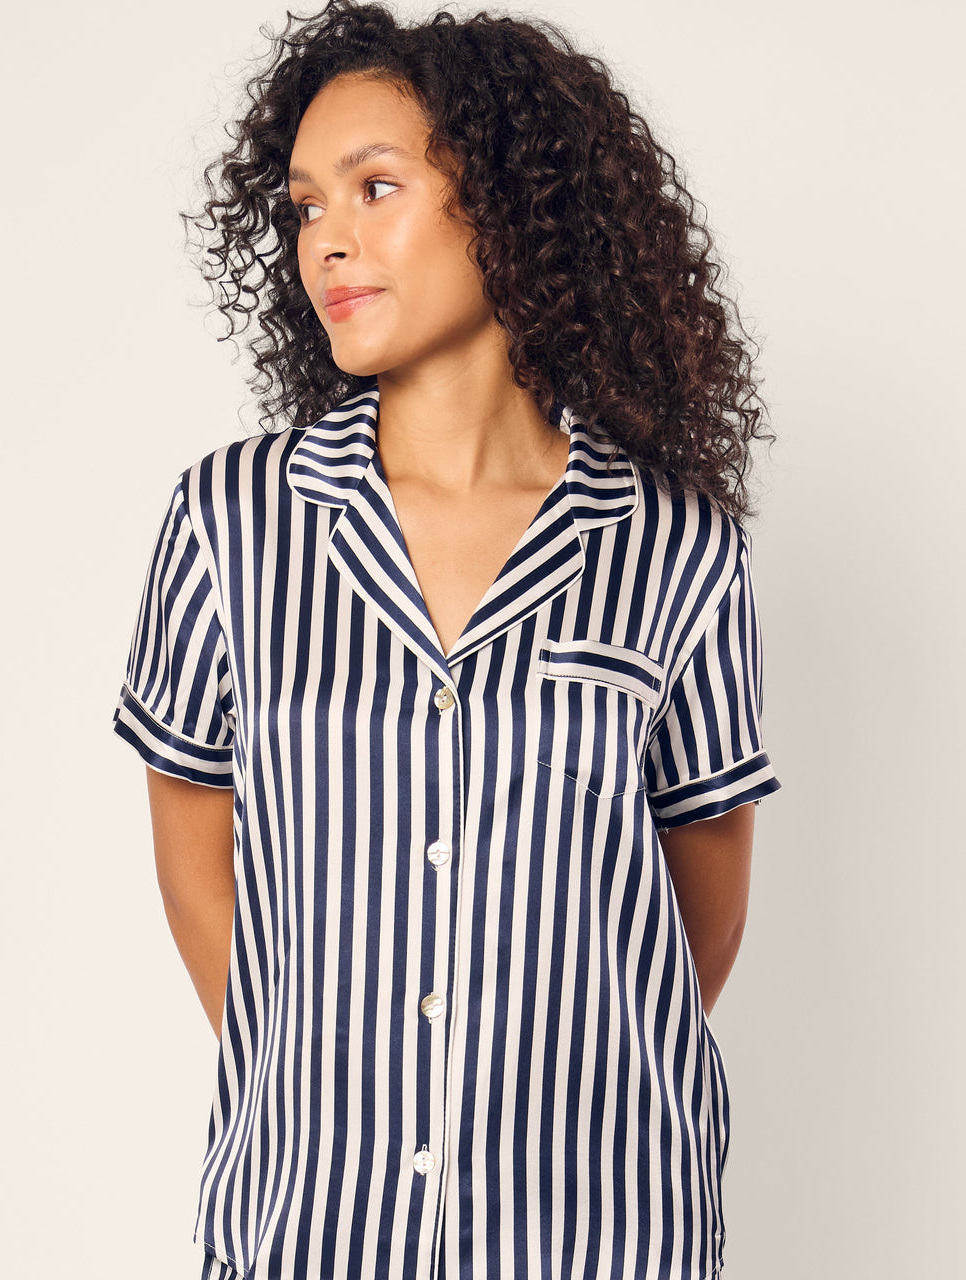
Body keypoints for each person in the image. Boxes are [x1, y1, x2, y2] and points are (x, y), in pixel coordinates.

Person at [111, 2, 781, 1276]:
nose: (330, 242)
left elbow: (702, 896)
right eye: (307, 204)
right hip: (311, 1223)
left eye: (376, 187)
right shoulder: (231, 522)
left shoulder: (676, 546)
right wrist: (316, 1058)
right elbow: (193, 837)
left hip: (604, 1228)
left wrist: (541, 1073)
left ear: (518, 206)